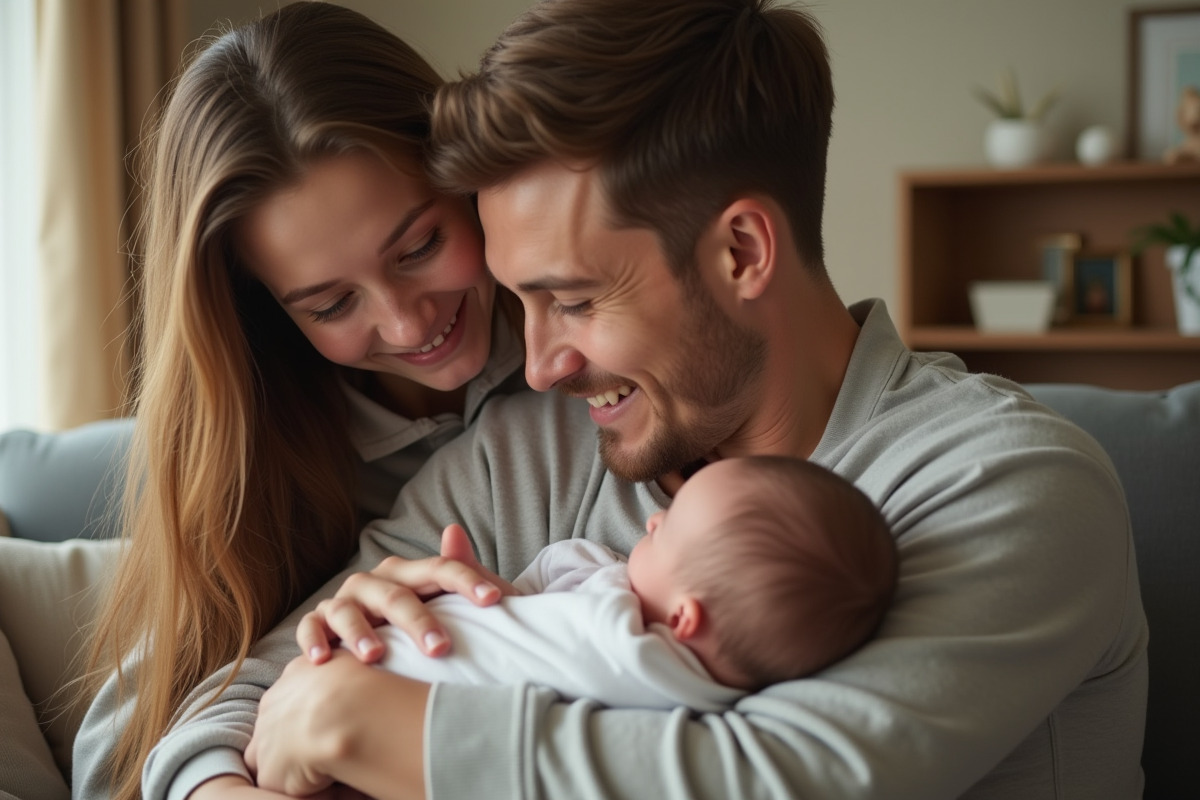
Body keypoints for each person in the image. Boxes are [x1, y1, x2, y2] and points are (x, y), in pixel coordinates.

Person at [113, 1, 1147, 799]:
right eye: (521, 301)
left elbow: (777, 774)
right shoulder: (534, 455)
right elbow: (229, 693)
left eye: (570, 299)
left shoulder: (1007, 483)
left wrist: (359, 723)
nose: (539, 363)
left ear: (742, 251)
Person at [0, 4, 533, 800]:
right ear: (269, 310)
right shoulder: (259, 465)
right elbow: (124, 749)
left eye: (419, 245)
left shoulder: (585, 358)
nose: (406, 320)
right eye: (329, 304)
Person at [318, 456, 896, 711]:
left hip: (373, 689)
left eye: (668, 531)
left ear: (684, 620)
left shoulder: (625, 644)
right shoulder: (712, 700)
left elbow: (559, 628)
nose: (652, 519)